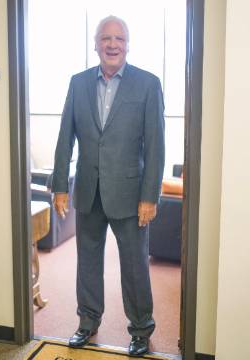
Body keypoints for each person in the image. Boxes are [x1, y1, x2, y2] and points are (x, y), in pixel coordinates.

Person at [51, 15, 165, 357]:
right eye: (105, 38)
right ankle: (87, 322)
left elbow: (156, 145)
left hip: (131, 195)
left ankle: (141, 329)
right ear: (96, 44)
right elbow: (64, 138)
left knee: (133, 264)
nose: (112, 44)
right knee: (87, 261)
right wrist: (59, 185)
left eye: (118, 38)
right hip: (88, 190)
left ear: (128, 45)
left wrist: (150, 195)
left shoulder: (147, 84)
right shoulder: (78, 82)